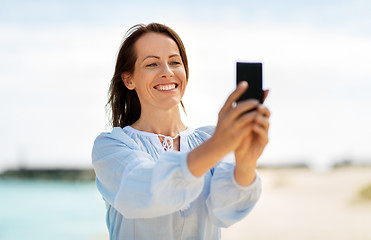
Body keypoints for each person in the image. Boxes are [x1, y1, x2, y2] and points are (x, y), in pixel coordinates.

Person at [92, 23, 270, 240]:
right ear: (129, 79)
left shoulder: (210, 139)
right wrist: (219, 145)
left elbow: (226, 211)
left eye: (175, 62)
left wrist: (246, 162)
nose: (167, 72)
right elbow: (143, 191)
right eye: (152, 64)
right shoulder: (112, 146)